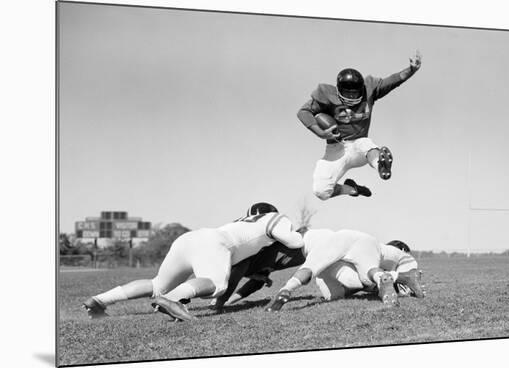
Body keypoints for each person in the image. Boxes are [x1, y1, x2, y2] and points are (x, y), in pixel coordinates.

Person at [82, 202, 304, 321]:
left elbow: (237, 268)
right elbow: (293, 241)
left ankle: (99, 300)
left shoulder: (241, 225)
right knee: (216, 285)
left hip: (190, 239)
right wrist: (300, 235)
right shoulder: (275, 217)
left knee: (157, 284)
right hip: (214, 242)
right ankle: (173, 299)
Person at [297, 51, 422, 200]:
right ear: (338, 90)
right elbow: (303, 112)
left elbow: (392, 81)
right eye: (348, 94)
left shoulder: (369, 89)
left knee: (366, 144)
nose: (352, 97)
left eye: (355, 93)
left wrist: (411, 70)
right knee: (321, 191)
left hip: (358, 145)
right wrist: (321, 133)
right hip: (336, 148)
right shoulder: (327, 94)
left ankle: (381, 165)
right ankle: (351, 189)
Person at [265, 229, 422, 312]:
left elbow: (308, 268)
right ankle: (397, 277)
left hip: (341, 244)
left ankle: (286, 289)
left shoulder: (313, 241)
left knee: (311, 269)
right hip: (356, 243)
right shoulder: (322, 235)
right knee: (339, 291)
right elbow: (406, 258)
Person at [314, 240, 424, 301]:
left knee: (334, 296)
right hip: (333, 263)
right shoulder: (395, 255)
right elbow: (402, 292)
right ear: (403, 250)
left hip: (326, 268)